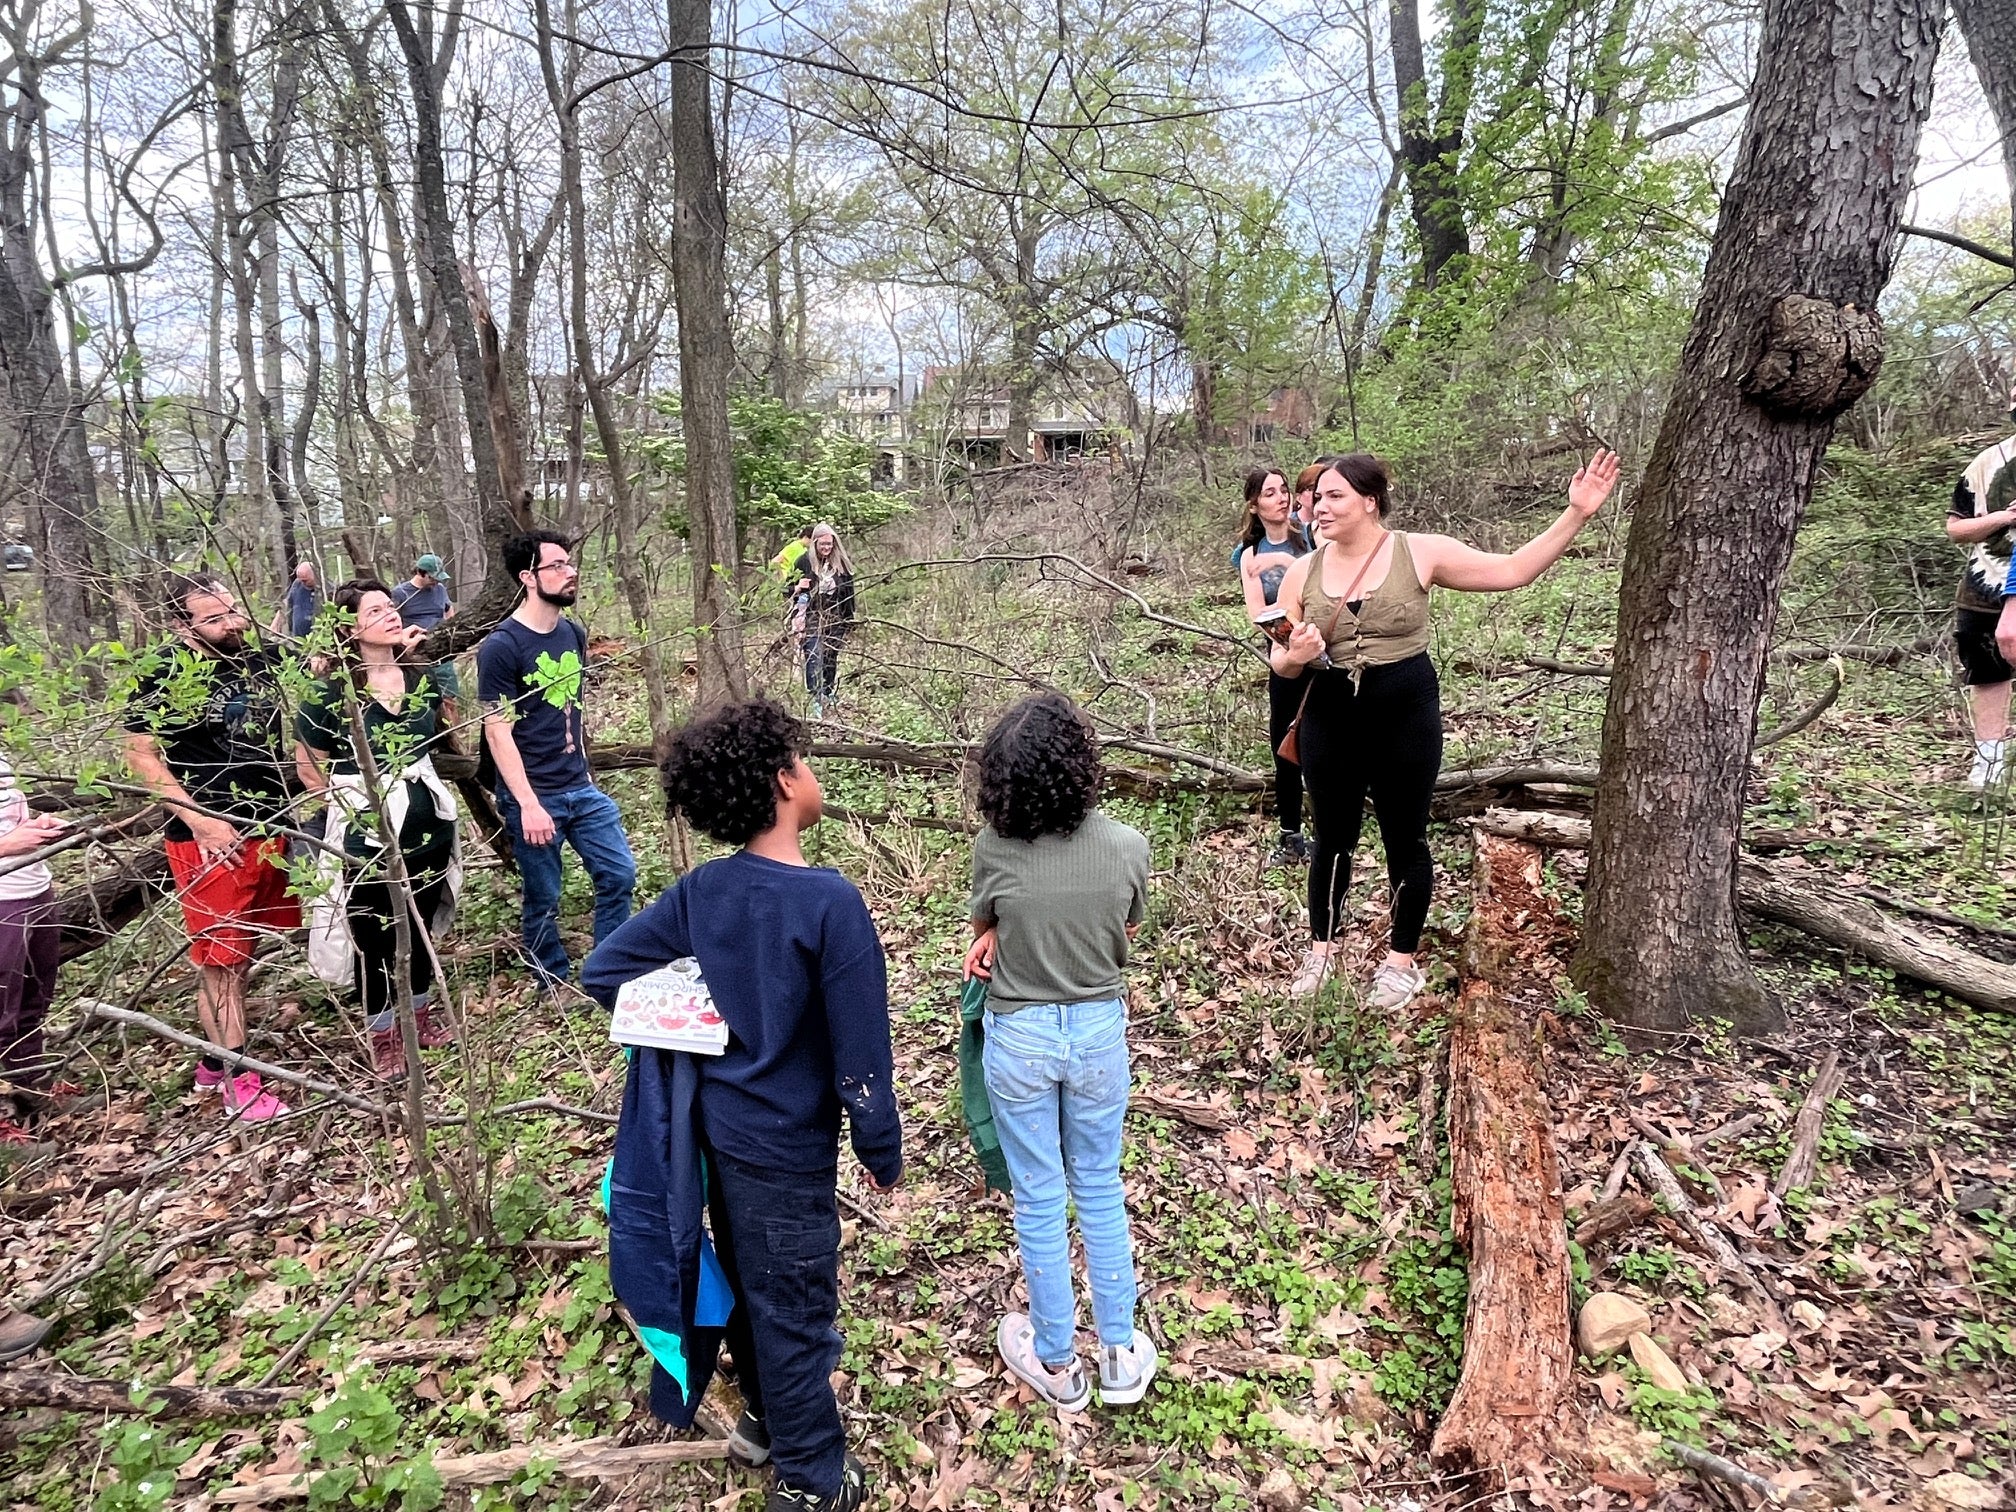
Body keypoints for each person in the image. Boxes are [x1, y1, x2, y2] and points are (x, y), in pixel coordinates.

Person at [584, 698, 900, 1512]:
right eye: (805, 757)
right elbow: (862, 1057)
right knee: (795, 1308)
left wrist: (706, 1018)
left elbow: (604, 972)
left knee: (761, 1289)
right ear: (783, 780)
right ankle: (814, 1478)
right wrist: (880, 1148)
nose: (812, 770)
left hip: (715, 1142)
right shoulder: (831, 904)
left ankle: (766, 1422)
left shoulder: (704, 890)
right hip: (789, 1155)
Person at [1271, 450, 1620, 1005]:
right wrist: (1298, 653)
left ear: (1370, 501)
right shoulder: (1301, 572)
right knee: (1333, 838)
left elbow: (1513, 571)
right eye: (1316, 497)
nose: (1317, 506)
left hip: (1405, 714)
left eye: (1334, 495)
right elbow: (1281, 664)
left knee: (1403, 837)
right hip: (1329, 719)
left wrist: (1576, 513)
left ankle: (1400, 961)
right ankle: (1322, 953)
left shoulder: (1420, 552)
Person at [963, 692, 1156, 1413]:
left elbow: (988, 923)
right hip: (1098, 1029)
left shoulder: (994, 848)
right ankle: (1118, 1354)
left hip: (1020, 1035)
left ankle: (1055, 1362)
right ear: (1083, 766)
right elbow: (1121, 937)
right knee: (1100, 1187)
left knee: (1040, 1199)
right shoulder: (1128, 847)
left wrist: (993, 939)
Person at [124, 575, 302, 1121]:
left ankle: (212, 1060)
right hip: (210, 839)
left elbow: (317, 677)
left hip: (270, 823)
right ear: (182, 625)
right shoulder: (160, 671)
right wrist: (199, 821)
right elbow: (140, 755)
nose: (232, 624)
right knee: (220, 962)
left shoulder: (257, 656)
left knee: (240, 956)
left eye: (233, 610)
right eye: (215, 618)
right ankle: (239, 1077)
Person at [295, 580, 463, 1079]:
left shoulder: (421, 679)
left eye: (392, 606)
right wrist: (352, 807)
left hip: (429, 828)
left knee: (419, 923)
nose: (391, 615)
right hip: (365, 839)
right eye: (376, 610)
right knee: (374, 933)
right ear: (350, 628)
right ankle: (384, 1033)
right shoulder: (332, 694)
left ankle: (421, 1013)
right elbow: (309, 766)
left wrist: (419, 656)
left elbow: (441, 735)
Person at [477, 530, 636, 986]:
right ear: (528, 577)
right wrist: (527, 803)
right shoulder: (501, 647)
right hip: (533, 792)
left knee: (619, 873)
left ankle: (609, 969)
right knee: (544, 894)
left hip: (579, 787)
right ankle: (551, 978)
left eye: (570, 564)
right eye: (557, 566)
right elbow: (497, 730)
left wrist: (584, 771)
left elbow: (573, 711)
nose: (571, 573)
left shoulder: (572, 633)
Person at [1233, 465, 1313, 866]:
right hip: (1285, 657)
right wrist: (1294, 649)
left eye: (1284, 490)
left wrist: (1284, 559)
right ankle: (1290, 836)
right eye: (1270, 493)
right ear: (1254, 504)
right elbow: (1258, 614)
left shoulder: (1311, 535)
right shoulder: (1249, 554)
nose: (1281, 498)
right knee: (1286, 744)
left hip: (1330, 654)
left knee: (1328, 742)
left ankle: (1329, 828)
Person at [1954, 380, 2016, 789]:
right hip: (1984, 584)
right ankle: (1989, 764)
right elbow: (1957, 529)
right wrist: (2004, 518)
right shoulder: (1987, 462)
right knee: (1988, 675)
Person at [0, 758, 64, 1141]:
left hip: (33, 887)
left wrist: (33, 828)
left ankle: (30, 1089)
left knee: (34, 999)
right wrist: (7, 845)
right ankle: (4, 1119)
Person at [793, 523, 856, 718]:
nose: (826, 548)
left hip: (835, 616)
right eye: (823, 544)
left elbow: (849, 593)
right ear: (815, 543)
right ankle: (815, 697)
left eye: (830, 544)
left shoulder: (842, 564)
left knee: (830, 656)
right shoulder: (803, 562)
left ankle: (827, 691)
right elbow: (787, 590)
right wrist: (797, 587)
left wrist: (849, 619)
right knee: (813, 655)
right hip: (812, 615)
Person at [390, 554, 455, 630]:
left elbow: (449, 610)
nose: (435, 582)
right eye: (432, 578)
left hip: (440, 635)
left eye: (438, 579)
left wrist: (451, 625)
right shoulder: (400, 592)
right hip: (415, 636)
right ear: (420, 573)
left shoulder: (440, 589)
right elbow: (392, 618)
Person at [270, 561, 321, 639]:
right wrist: (277, 620)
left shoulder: (327, 590)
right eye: (300, 579)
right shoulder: (297, 585)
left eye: (305, 580)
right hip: (297, 638)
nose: (302, 583)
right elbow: (287, 604)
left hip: (317, 639)